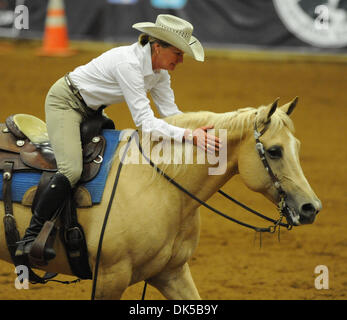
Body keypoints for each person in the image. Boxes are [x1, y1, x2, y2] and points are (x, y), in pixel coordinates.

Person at [15, 14, 221, 261]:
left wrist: (201, 130)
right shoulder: (129, 64)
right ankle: (30, 237)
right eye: (178, 53)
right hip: (66, 103)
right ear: (158, 47)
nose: (181, 60)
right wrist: (190, 135)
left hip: (93, 111)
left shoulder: (159, 72)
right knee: (71, 170)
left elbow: (171, 115)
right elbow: (145, 123)